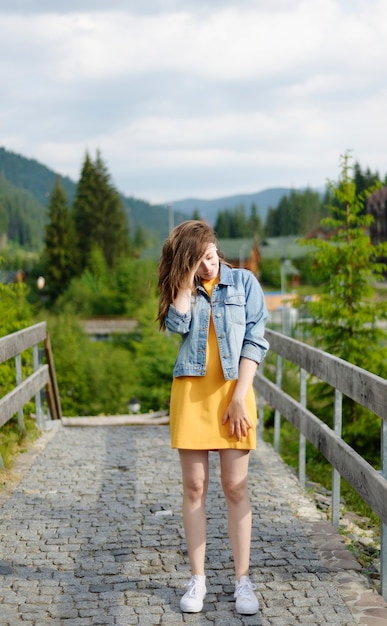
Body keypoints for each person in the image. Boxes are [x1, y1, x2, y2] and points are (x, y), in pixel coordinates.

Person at [157, 220, 269, 615]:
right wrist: (184, 279)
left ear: (217, 247)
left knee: (235, 486)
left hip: (233, 395)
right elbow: (179, 324)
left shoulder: (244, 284)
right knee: (194, 488)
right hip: (191, 394)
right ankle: (198, 579)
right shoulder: (182, 288)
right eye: (198, 260)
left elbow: (256, 340)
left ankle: (243, 581)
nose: (209, 265)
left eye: (210, 255)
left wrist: (240, 397)